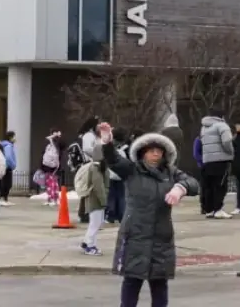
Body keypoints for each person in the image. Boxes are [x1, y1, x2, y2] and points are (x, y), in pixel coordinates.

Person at [103, 131, 199, 307]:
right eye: (151, 150)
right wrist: (107, 143)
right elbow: (113, 160)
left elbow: (193, 184)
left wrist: (180, 188)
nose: (155, 154)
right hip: (135, 234)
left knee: (159, 284)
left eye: (159, 151)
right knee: (132, 281)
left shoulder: (170, 172)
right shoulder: (132, 170)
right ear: (143, 152)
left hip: (161, 236)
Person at [80, 123, 111, 256]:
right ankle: (90, 245)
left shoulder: (97, 167)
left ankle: (87, 242)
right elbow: (99, 186)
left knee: (95, 223)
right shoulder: (97, 168)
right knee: (95, 223)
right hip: (96, 200)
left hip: (95, 200)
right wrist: (104, 201)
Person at [199, 108, 234, 218]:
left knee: (209, 186)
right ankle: (218, 209)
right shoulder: (222, 126)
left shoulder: (204, 127)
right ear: (222, 117)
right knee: (220, 185)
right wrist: (231, 153)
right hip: (220, 160)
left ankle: (209, 210)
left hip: (207, 160)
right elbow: (227, 141)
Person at [106, 127, 130, 223]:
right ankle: (121, 215)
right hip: (121, 176)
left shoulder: (112, 150)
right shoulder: (123, 150)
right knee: (121, 196)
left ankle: (111, 215)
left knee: (111, 196)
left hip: (111, 176)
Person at [40, 128, 64, 206]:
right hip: (48, 166)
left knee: (53, 183)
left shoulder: (58, 143)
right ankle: (50, 198)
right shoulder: (49, 144)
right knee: (49, 183)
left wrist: (56, 137)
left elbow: (62, 146)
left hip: (54, 166)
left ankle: (54, 198)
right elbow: (43, 152)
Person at [0, 131, 17, 206]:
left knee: (4, 182)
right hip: (7, 167)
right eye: (14, 137)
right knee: (7, 183)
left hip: (3, 166)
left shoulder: (4, 145)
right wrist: (13, 165)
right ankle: (4, 199)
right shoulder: (8, 146)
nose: (15, 138)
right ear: (10, 137)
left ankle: (4, 198)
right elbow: (8, 157)